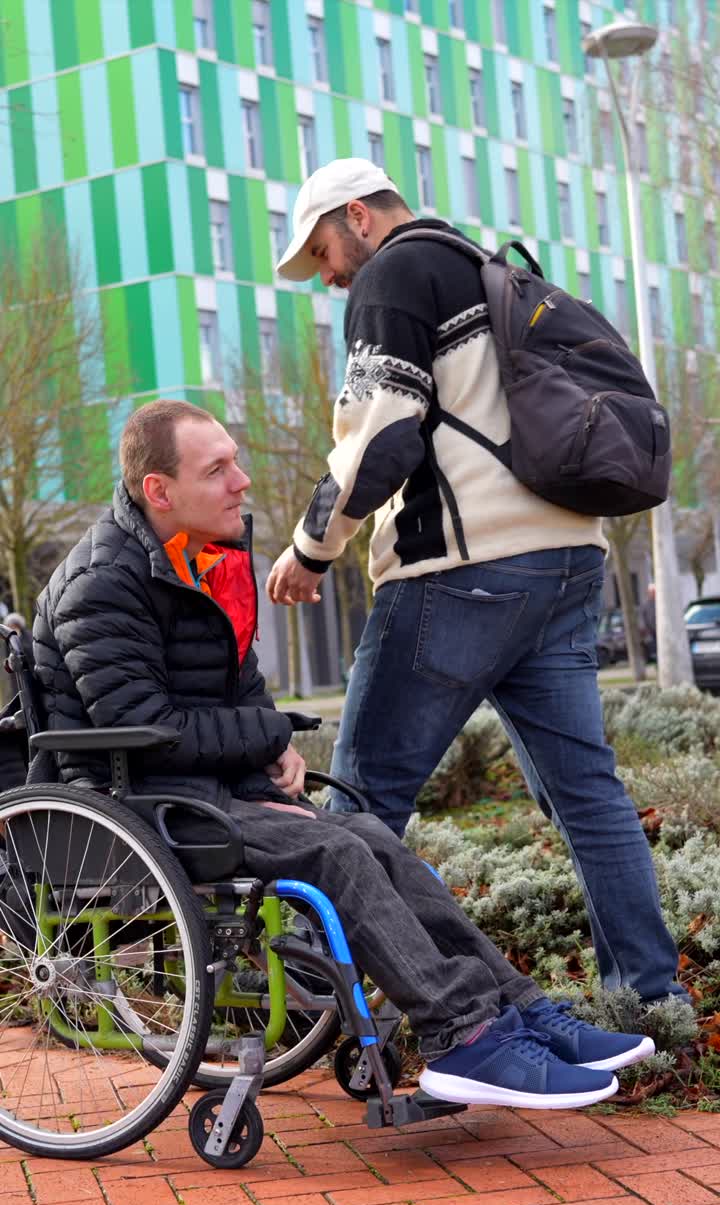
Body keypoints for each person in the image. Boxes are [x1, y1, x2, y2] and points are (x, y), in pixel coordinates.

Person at [32, 398, 655, 1110]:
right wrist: (268, 739)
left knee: (366, 833)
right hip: (133, 808)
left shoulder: (204, 557)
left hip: (201, 792)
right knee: (337, 853)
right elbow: (144, 729)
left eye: (236, 461)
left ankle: (518, 1011)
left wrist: (265, 751)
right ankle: (462, 1032)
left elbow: (238, 692)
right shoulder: (101, 585)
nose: (242, 481)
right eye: (218, 469)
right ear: (159, 491)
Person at [267, 157, 685, 1008]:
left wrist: (311, 549)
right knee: (587, 798)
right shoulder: (491, 271)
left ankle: (341, 1008)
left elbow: (381, 439)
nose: (327, 274)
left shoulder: (391, 275)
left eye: (322, 252)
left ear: (358, 215)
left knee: (360, 801)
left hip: (462, 572)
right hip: (570, 561)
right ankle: (650, 998)